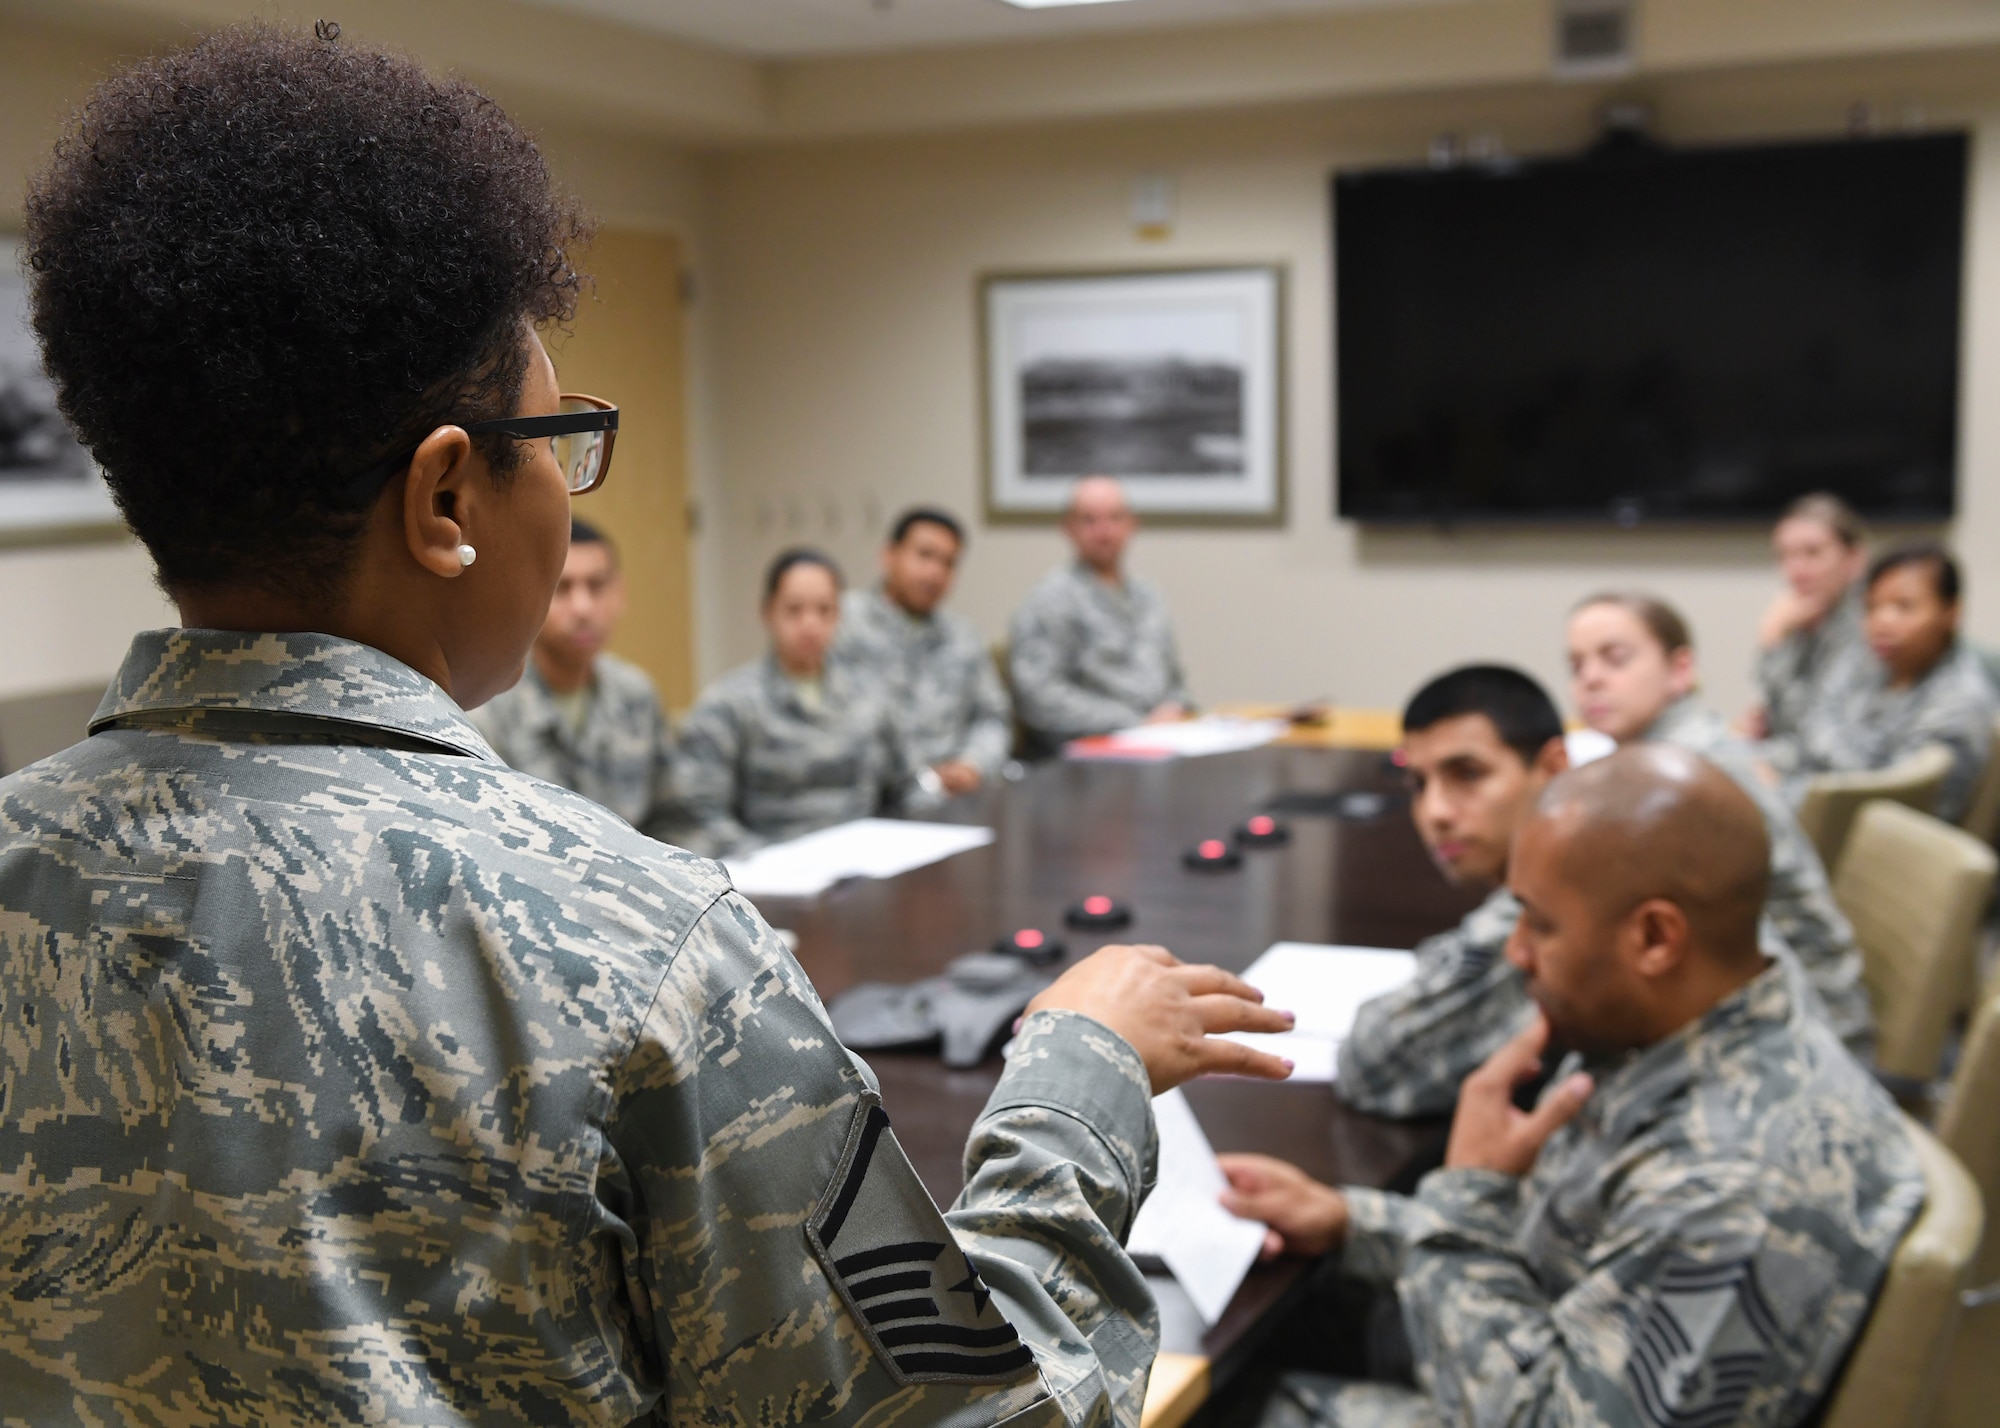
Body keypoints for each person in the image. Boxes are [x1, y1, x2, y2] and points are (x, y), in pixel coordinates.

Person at [0, 26, 1299, 1425]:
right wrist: (1075, 1083)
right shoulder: (631, 946)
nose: (569, 499)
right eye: (559, 445)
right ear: (446, 503)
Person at [1218, 746, 1924, 1428]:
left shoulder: (1735, 1181)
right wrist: (1354, 1222)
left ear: (1654, 939)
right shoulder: (1692, 1022)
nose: (1518, 952)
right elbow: (1555, 1261)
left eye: (1541, 924)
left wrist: (1465, 1193)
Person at [1567, 592, 1875, 1058]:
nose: (1591, 678)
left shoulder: (1682, 780)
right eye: (1577, 665)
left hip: (1806, 1032)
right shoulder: (1666, 753)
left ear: (1681, 670)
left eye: (1615, 658)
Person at [1337, 665, 1568, 1119]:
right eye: (1419, 784)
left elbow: (1369, 1066)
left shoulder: (1552, 901)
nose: (1435, 812)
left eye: (1467, 773)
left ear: (1552, 767)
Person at [676, 548, 925, 857]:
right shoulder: (729, 703)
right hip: (770, 871)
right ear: (767, 612)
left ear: (839, 616)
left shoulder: (871, 694)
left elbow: (907, 788)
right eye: (794, 609)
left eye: (824, 610)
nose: (810, 624)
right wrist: (765, 860)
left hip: (863, 866)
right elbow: (698, 815)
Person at [470, 517, 686, 840]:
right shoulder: (488, 705)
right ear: (532, 595)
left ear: (619, 594)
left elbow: (675, 819)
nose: (583, 608)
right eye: (563, 588)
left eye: (596, 587)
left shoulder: (636, 694)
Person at [1761, 543, 1997, 824]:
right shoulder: (1867, 663)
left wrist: (1780, 789)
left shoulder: (1960, 701)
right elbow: (1807, 729)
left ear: (1951, 612)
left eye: (1903, 606)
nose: (1882, 622)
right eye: (1872, 607)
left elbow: (1898, 803)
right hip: (1816, 800)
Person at [1008, 476, 1192, 753]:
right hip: (1086, 757)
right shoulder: (1049, 600)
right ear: (1067, 528)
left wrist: (1175, 707)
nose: (1104, 531)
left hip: (1161, 743)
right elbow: (1039, 697)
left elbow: (1174, 681)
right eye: (1089, 520)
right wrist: (1135, 723)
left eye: (1115, 518)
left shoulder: (1149, 598)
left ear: (1132, 524)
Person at [836, 507, 1013, 796]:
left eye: (948, 563)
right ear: (888, 556)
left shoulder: (963, 637)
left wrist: (973, 765)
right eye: (924, 555)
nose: (935, 572)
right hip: (874, 798)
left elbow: (992, 717)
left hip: (954, 798)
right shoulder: (842, 624)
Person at [1745, 493, 1870, 741]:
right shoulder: (1803, 620)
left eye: (1812, 553)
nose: (1796, 570)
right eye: (1785, 556)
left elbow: (1818, 735)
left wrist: (1772, 642)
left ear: (1854, 560)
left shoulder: (1867, 626)